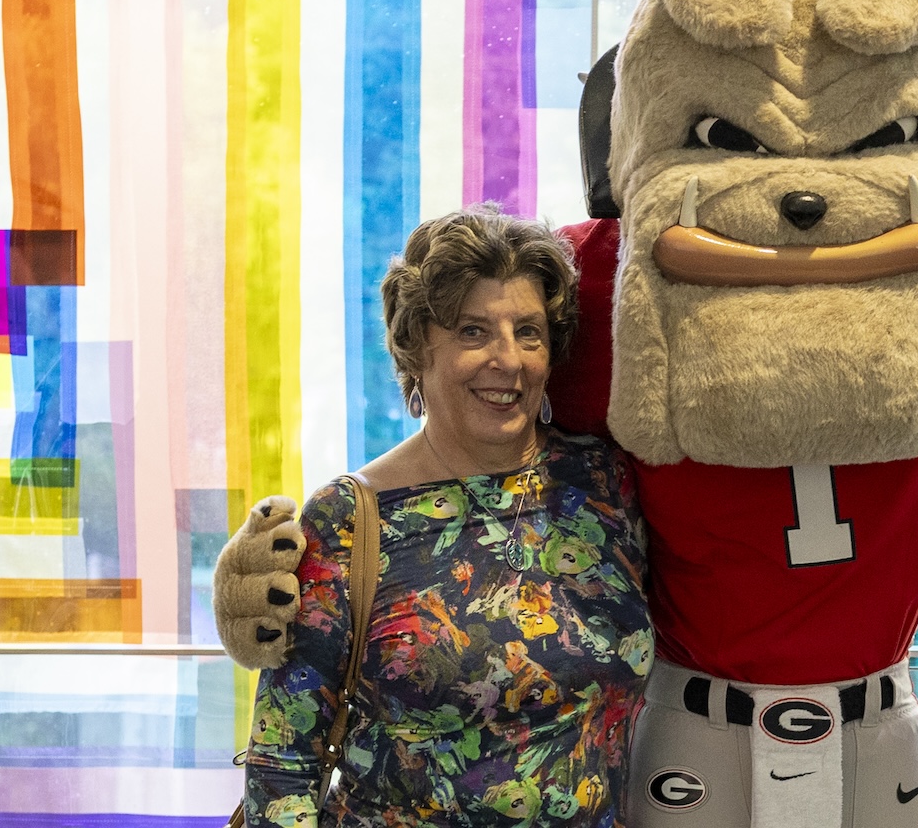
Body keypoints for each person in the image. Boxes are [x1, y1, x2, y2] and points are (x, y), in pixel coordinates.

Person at [239, 206, 651, 827]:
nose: (508, 360)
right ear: (417, 349)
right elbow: (282, 764)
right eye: (473, 331)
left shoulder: (603, 482)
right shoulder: (350, 520)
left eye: (529, 331)